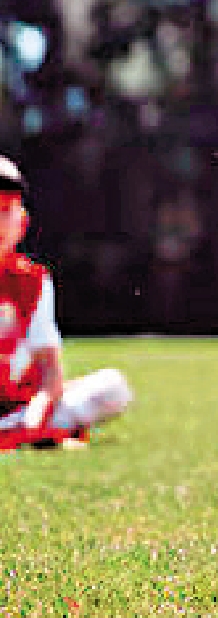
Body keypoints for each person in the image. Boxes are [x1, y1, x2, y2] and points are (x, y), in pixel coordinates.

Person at [0, 156, 132, 448]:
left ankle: (18, 434)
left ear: (22, 223)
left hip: (18, 408)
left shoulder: (31, 281)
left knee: (113, 387)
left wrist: (31, 424)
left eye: (5, 210)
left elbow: (50, 374)